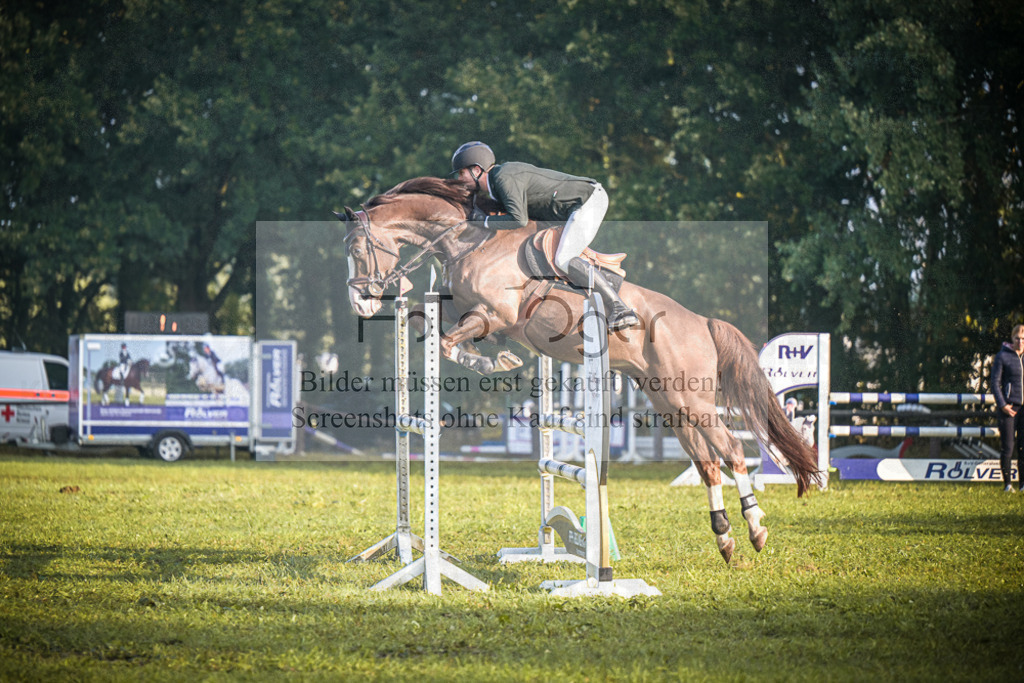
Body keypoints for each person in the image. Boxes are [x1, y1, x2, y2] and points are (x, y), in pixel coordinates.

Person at [450, 141, 639, 331]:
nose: (459, 178)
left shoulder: (502, 178)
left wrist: (483, 222)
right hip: (566, 211)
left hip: (586, 201)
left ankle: (619, 308)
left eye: (461, 172)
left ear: (476, 169)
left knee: (564, 258)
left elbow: (518, 219)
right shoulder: (497, 183)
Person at [992, 323, 1024, 492]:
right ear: (1012, 339)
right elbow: (995, 383)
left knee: (1023, 448)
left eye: (1023, 339)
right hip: (1008, 408)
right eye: (1017, 338)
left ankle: (1023, 484)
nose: (1020, 342)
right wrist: (1003, 404)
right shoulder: (1002, 356)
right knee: (1008, 447)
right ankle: (1008, 484)